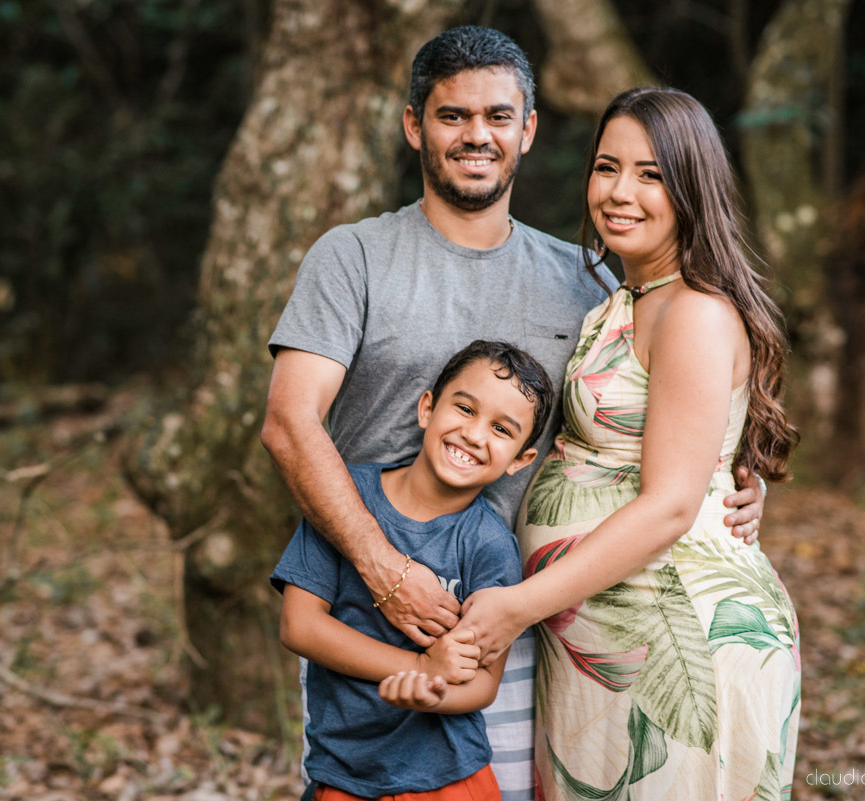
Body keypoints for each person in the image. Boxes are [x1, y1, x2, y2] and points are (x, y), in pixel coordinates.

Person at [261, 27, 766, 801]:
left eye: (497, 116)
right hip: (365, 614)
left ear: (527, 129)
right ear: (414, 126)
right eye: (452, 115)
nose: (477, 135)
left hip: (531, 622)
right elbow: (289, 423)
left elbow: (653, 417)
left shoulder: (588, 280)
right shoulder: (353, 256)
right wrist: (385, 571)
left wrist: (730, 486)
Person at [455, 87, 801, 801]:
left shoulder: (693, 313)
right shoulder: (626, 298)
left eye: (651, 175)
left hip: (677, 645)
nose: (619, 192)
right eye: (606, 167)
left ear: (692, 189)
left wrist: (518, 605)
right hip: (604, 641)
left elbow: (671, 504)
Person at [272, 341, 554, 801]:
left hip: (449, 780)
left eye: (501, 429)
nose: (474, 434)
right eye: (465, 408)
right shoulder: (343, 500)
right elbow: (298, 626)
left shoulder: (490, 545)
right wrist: (418, 666)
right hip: (342, 773)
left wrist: (435, 692)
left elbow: (483, 683)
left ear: (521, 460)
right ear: (427, 408)